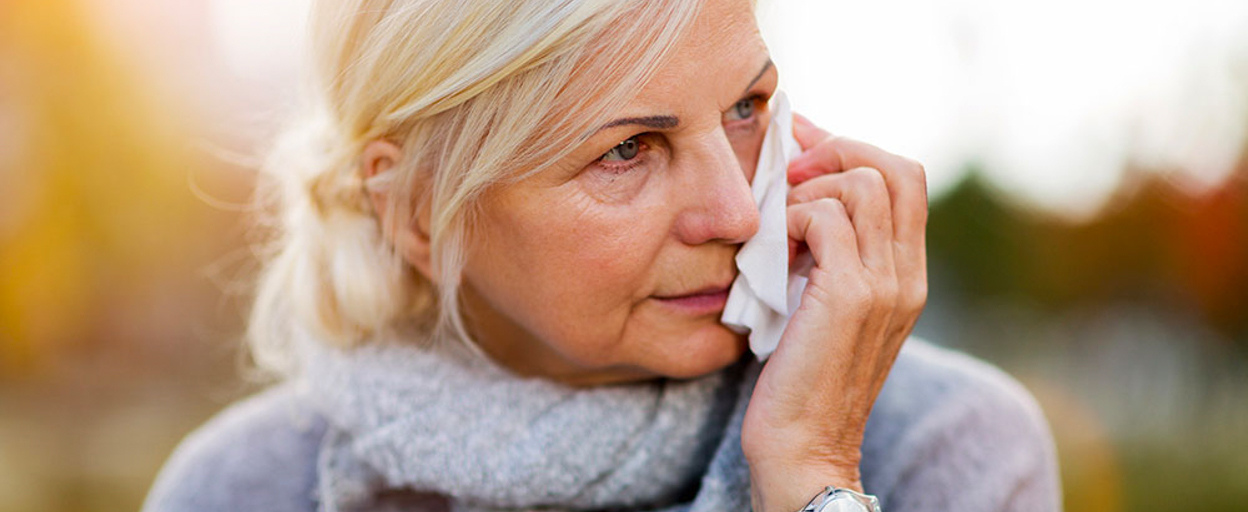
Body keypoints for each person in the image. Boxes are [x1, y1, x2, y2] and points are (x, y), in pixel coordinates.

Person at [143, 0, 1061, 511]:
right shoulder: (240, 490)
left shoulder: (941, 451)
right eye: (626, 149)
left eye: (746, 108)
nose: (739, 212)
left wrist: (814, 474)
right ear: (414, 210)